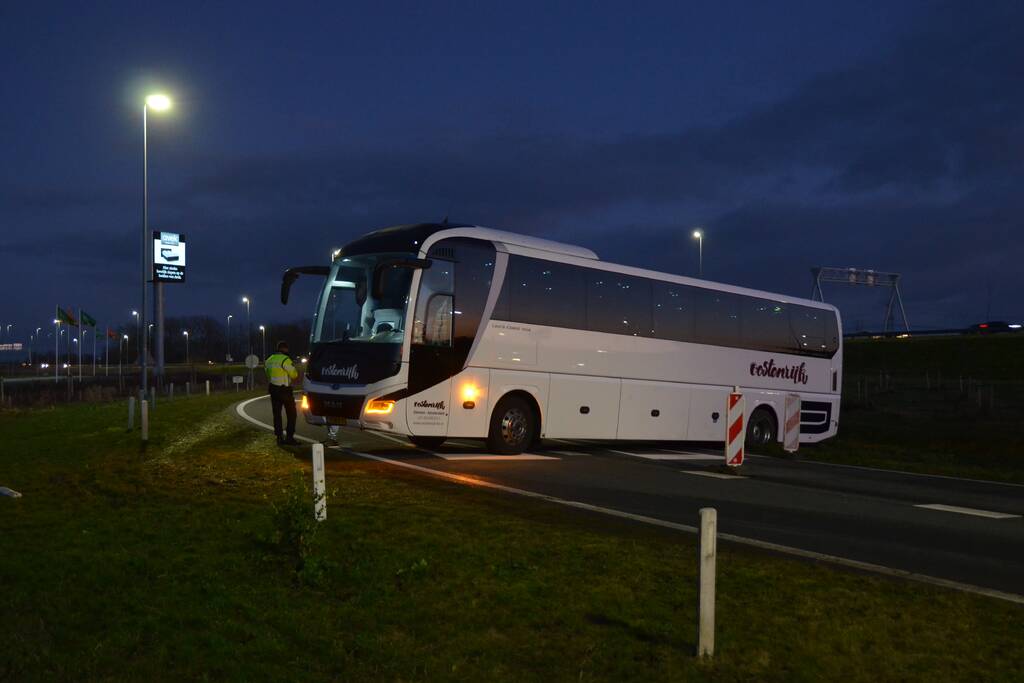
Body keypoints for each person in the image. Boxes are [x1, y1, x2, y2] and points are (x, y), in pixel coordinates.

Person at [265, 341, 299, 444]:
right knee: (292, 414)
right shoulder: (285, 359)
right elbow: (294, 375)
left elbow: (268, 375)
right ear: (285, 349)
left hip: (273, 389)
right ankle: (289, 437)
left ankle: (279, 437)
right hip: (284, 390)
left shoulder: (269, 360)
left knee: (277, 415)